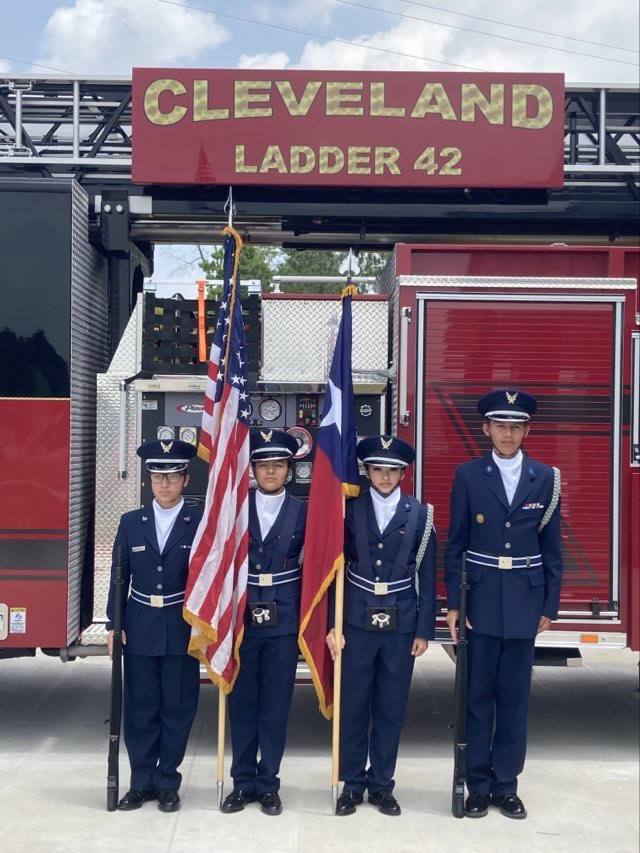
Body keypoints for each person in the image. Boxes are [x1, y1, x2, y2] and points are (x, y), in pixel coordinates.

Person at [445, 389, 563, 820]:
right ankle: (478, 784)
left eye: (516, 427)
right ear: (486, 429)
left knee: (514, 700)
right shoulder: (468, 475)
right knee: (477, 698)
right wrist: (453, 605)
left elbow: (552, 549)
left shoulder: (546, 478)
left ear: (526, 430)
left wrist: (549, 603)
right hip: (479, 599)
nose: (508, 434)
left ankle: (506, 786)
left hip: (524, 600)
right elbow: (455, 544)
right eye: (501, 426)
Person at [326, 435, 436, 817]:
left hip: (401, 623)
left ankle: (382, 785)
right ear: (367, 471)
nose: (385, 477)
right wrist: (331, 624)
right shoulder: (348, 510)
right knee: (354, 705)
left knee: (390, 709)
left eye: (392, 470)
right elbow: (333, 572)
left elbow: (427, 572)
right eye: (378, 469)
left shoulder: (420, 514)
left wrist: (424, 630)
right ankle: (352, 784)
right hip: (355, 619)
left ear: (403, 473)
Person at [106, 438, 202, 813]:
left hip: (181, 626)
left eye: (173, 476)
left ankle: (167, 782)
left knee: (177, 710)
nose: (165, 483)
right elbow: (119, 578)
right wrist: (116, 625)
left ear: (185, 479)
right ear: (149, 480)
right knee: (141, 709)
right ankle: (140, 782)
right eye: (158, 476)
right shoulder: (131, 523)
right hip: (141, 625)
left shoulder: (199, 522)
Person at [221, 429, 306, 817]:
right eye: (263, 465)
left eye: (278, 465)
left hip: (284, 617)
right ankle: (242, 782)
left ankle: (268, 782)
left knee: (275, 704)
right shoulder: (234, 508)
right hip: (242, 615)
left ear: (289, 469)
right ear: (252, 469)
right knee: (241, 703)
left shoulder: (305, 510)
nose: (270, 471)